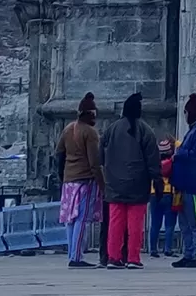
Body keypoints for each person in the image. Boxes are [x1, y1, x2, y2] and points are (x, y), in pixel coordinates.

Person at [101, 92, 161, 269]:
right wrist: (156, 181)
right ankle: (133, 257)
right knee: (135, 223)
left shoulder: (111, 129)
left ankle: (113, 257)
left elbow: (101, 154)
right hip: (138, 183)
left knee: (115, 222)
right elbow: (153, 160)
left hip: (114, 183)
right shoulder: (146, 131)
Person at [57, 93, 103, 268]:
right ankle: (76, 257)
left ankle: (72, 254)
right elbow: (94, 162)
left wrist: (62, 175)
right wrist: (102, 184)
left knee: (70, 219)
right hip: (85, 180)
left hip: (69, 180)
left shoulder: (68, 128)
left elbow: (59, 153)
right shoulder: (90, 132)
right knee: (81, 219)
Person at [171, 94, 196, 268]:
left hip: (194, 183)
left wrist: (179, 153)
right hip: (183, 184)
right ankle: (188, 253)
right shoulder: (193, 130)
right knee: (185, 224)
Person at [149, 138, 177, 257]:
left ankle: (153, 250)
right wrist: (174, 142)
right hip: (169, 193)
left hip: (154, 193)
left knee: (155, 224)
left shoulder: (153, 163)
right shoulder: (172, 162)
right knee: (169, 225)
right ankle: (168, 249)